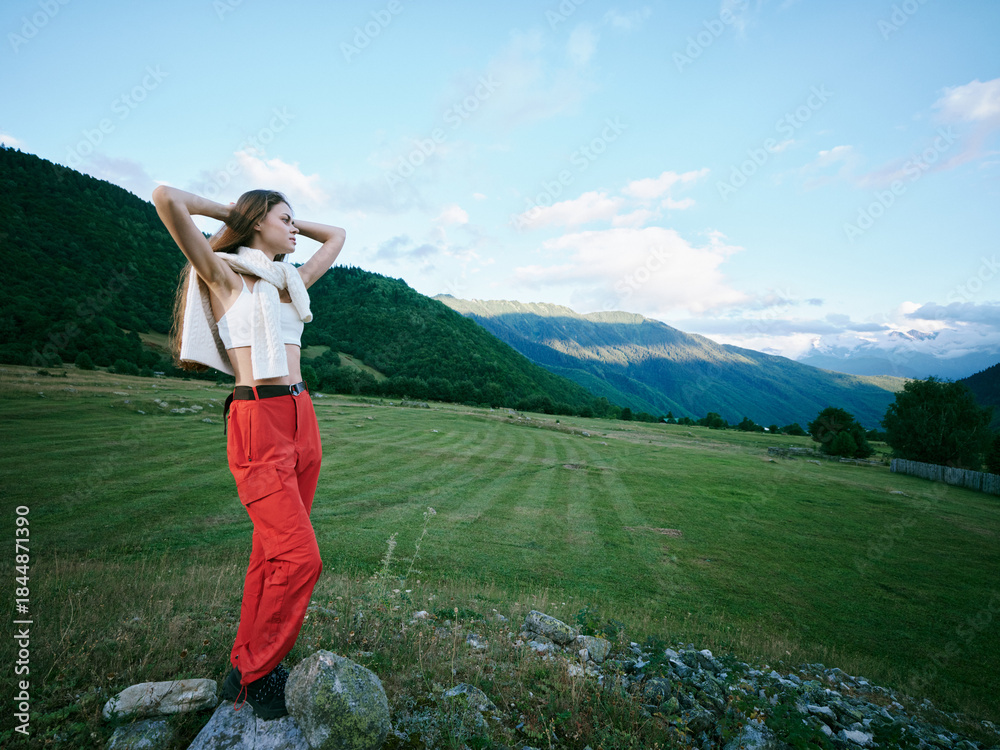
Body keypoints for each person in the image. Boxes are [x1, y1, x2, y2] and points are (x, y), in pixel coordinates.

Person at [152, 185, 346, 719]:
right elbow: (165, 197)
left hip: (301, 416)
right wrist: (239, 215)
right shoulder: (225, 275)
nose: (296, 228)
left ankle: (246, 662)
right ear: (259, 220)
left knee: (271, 554)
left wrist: (287, 227)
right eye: (286, 219)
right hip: (257, 416)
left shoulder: (290, 283)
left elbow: (337, 236)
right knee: (301, 558)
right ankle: (255, 674)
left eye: (295, 221)